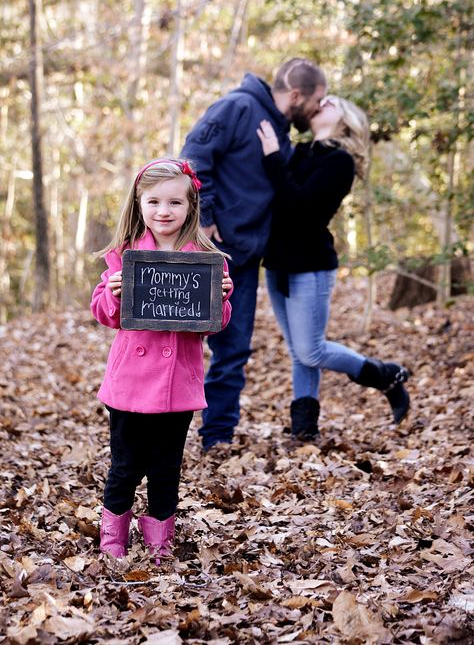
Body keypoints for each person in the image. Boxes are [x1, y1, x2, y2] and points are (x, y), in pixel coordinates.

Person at [90, 158, 233, 564]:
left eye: (175, 202)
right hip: (130, 383)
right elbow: (104, 314)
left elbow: (215, 325)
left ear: (191, 207)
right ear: (139, 205)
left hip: (178, 385)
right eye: (153, 202)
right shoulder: (126, 256)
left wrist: (220, 299)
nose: (164, 211)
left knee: (166, 468)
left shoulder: (207, 260)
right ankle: (113, 538)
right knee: (126, 465)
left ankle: (159, 541)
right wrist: (113, 294)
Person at [181, 58, 327, 451]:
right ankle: (164, 435)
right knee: (185, 344)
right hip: (212, 251)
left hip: (245, 257)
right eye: (318, 100)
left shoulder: (279, 130)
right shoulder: (238, 107)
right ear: (296, 94)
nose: (317, 109)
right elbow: (193, 156)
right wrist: (206, 216)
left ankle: (217, 437)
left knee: (234, 349)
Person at [257, 96, 410, 438]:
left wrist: (272, 158)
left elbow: (300, 206)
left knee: (311, 349)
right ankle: (304, 429)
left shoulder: (340, 161)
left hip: (310, 264)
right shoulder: (299, 151)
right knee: (300, 352)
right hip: (278, 263)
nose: (321, 102)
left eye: (331, 101)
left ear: (346, 120)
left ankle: (385, 375)